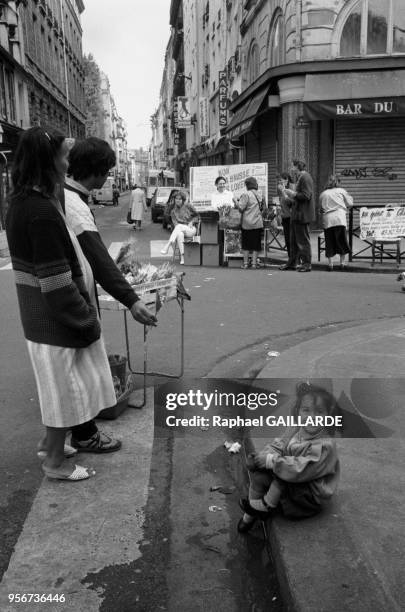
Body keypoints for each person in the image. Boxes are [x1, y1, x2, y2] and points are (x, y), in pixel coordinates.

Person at [5, 128, 112, 481]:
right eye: (64, 156)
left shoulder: (20, 202)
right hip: (53, 320)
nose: (68, 163)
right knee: (64, 393)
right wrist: (86, 320)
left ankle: (49, 446)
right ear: (48, 161)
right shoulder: (41, 211)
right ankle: (53, 464)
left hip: (39, 318)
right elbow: (55, 282)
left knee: (58, 388)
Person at [63, 137, 157, 453]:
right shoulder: (73, 204)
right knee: (84, 363)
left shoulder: (62, 195)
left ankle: (78, 430)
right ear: (99, 173)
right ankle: (84, 432)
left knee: (75, 366)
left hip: (67, 296)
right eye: (106, 172)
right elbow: (98, 259)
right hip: (75, 300)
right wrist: (131, 300)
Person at [237, 383, 340, 533]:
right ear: (298, 411)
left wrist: (272, 461)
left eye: (319, 412)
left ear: (328, 415)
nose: (312, 417)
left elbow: (300, 469)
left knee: (283, 475)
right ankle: (250, 514)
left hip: (308, 495)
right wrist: (263, 457)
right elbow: (279, 445)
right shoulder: (296, 428)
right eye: (306, 410)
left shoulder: (325, 446)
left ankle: (266, 506)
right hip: (289, 475)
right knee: (258, 475)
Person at [280, 160, 315, 272]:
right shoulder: (300, 178)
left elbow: (306, 195)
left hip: (302, 214)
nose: (291, 169)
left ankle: (306, 264)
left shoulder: (305, 177)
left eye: (292, 166)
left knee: (303, 240)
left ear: (297, 167)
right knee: (293, 241)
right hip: (296, 214)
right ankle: (292, 263)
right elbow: (298, 199)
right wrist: (289, 197)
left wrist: (293, 193)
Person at [319, 176, 353, 270]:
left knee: (329, 242)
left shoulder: (323, 194)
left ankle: (330, 264)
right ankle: (342, 263)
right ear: (338, 183)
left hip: (328, 220)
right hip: (339, 218)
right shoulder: (342, 191)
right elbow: (350, 204)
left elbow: (321, 208)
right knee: (342, 241)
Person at [160, 190, 199, 265]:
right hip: (180, 230)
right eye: (176, 199)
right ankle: (183, 257)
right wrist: (181, 228)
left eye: (179, 199)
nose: (177, 200)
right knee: (179, 234)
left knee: (179, 227)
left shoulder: (188, 206)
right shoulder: (173, 211)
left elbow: (197, 215)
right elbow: (175, 224)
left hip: (190, 229)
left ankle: (168, 244)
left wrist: (192, 221)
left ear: (183, 200)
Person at [234, 176, 264, 269]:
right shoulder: (260, 195)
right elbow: (263, 208)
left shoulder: (246, 194)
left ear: (247, 185)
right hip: (258, 223)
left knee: (246, 244)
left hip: (247, 223)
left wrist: (235, 201)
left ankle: (246, 264)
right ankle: (254, 264)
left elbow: (241, 208)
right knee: (256, 244)